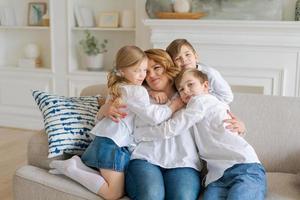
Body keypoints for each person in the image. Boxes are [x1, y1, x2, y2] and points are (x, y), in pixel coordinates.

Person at [98, 49, 246, 199]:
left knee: (182, 197)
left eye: (156, 68)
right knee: (151, 195)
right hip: (146, 159)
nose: (151, 75)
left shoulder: (190, 94)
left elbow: (219, 105)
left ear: (168, 66)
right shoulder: (140, 96)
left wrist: (240, 126)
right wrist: (104, 109)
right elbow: (115, 96)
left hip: (184, 162)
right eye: (146, 71)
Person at [48, 46, 183, 200]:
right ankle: (72, 168)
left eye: (144, 70)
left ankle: (77, 166)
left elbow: (102, 118)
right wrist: (174, 105)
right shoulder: (137, 91)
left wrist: (152, 92)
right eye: (137, 70)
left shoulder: (118, 88)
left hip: (108, 140)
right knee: (114, 193)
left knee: (117, 189)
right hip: (113, 144)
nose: (143, 75)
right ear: (122, 70)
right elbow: (153, 117)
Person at [144, 68, 267, 200]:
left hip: (244, 167)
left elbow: (172, 128)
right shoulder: (196, 107)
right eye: (181, 89)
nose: (185, 90)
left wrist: (142, 134)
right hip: (217, 177)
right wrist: (150, 90)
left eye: (190, 84)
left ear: (206, 86)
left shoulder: (202, 101)